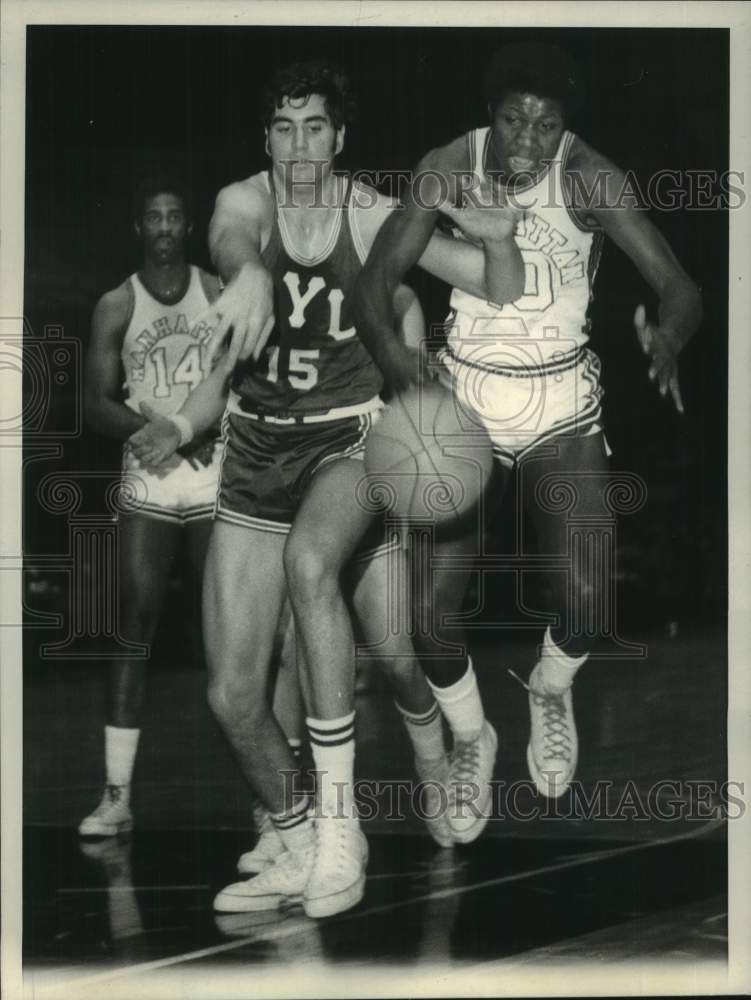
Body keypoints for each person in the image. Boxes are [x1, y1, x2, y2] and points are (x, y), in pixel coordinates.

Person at [165, 59, 522, 918]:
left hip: (353, 441)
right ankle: (292, 834)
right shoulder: (242, 201)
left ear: (340, 137)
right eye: (283, 128)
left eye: (315, 127)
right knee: (232, 696)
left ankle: (353, 818)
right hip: (256, 453)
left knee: (327, 580)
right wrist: (241, 279)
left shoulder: (369, 213)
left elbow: (493, 284)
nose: (298, 145)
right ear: (265, 140)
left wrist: (500, 237)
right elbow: (232, 240)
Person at [353, 41, 702, 800]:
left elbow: (677, 282)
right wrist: (391, 356)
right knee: (426, 615)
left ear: (563, 128)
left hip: (559, 405)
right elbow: (374, 280)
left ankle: (547, 689)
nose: (528, 140)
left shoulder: (590, 178)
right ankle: (473, 732)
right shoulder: (449, 162)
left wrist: (667, 335)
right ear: (491, 116)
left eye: (545, 126)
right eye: (515, 121)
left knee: (588, 601)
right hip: (468, 400)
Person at [78, 178, 223, 836]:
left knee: (229, 628)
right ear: (139, 228)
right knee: (133, 620)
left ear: (187, 225)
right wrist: (151, 435)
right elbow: (96, 401)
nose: (164, 226)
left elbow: (239, 380)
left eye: (174, 215)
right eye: (153, 217)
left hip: (210, 467)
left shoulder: (218, 291)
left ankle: (269, 797)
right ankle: (116, 796)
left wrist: (198, 430)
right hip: (150, 471)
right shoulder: (116, 302)